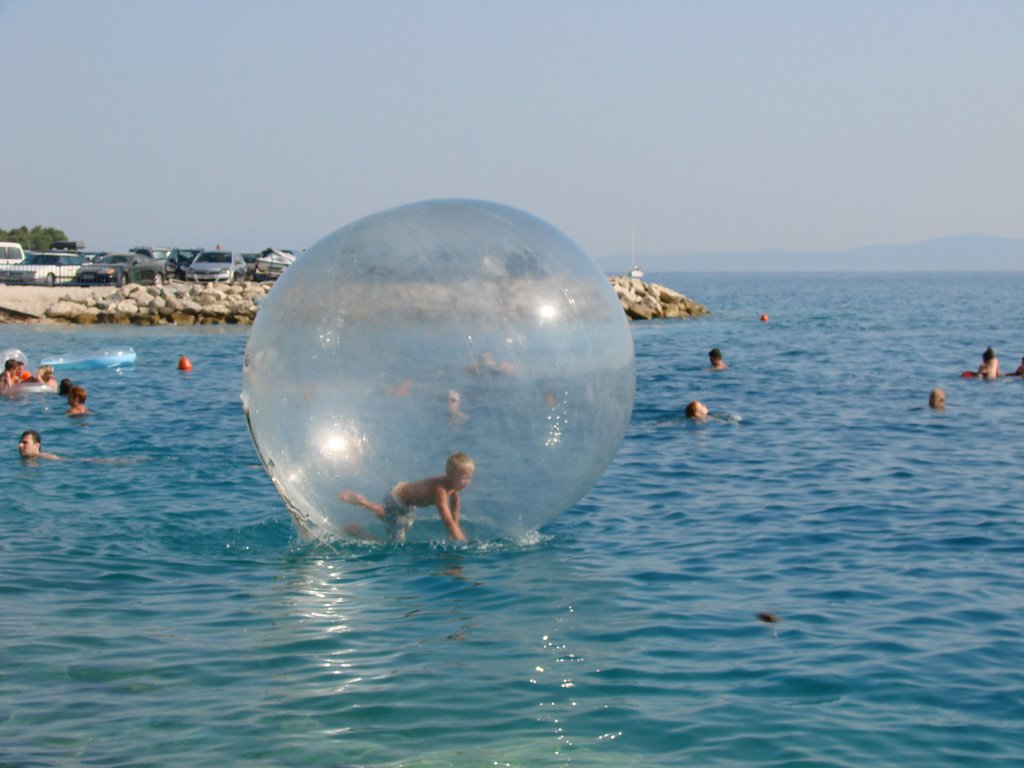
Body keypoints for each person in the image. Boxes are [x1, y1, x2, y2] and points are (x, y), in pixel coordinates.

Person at [339, 452, 474, 543]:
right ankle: (355, 531)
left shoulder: (453, 486)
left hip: (403, 500)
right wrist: (462, 543)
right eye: (463, 478)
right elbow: (448, 521)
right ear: (450, 475)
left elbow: (455, 505)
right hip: (397, 498)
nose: (467, 482)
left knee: (394, 518)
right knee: (396, 545)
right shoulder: (439, 489)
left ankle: (362, 501)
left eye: (469, 478)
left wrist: (455, 530)